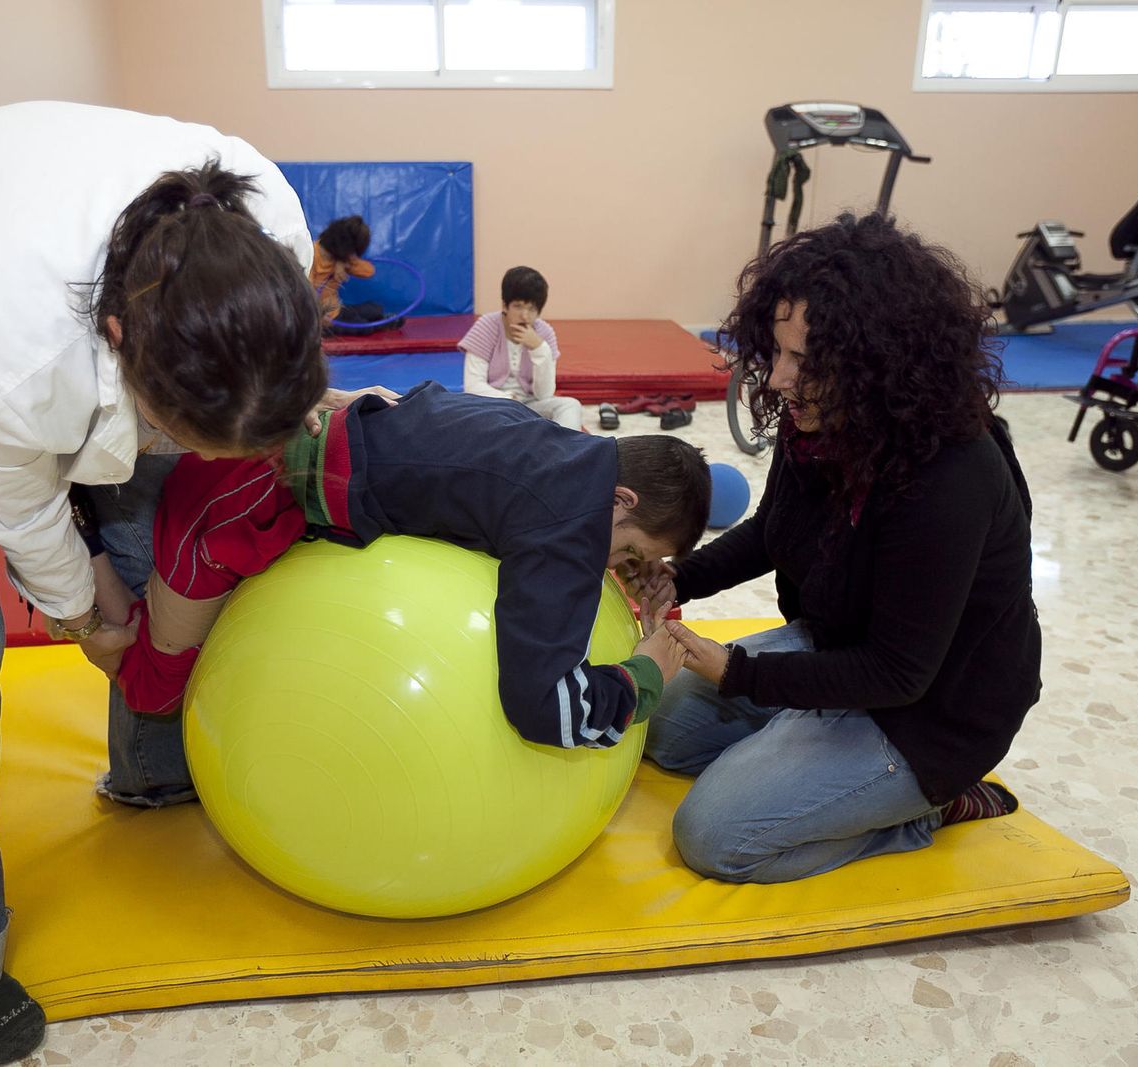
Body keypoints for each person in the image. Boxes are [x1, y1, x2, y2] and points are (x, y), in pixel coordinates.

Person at [0, 101, 385, 1065]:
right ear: (114, 337)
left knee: (159, 513)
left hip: (60, 301)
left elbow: (170, 460)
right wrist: (82, 613)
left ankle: (154, 771)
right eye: (170, 420)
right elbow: (22, 513)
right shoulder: (4, 357)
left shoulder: (268, 235)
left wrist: (141, 555)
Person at [625, 212, 1042, 885]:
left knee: (714, 836)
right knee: (668, 732)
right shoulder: (818, 420)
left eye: (806, 362)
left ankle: (928, 807)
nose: (781, 379)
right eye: (779, 352)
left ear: (879, 366)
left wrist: (737, 671)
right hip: (843, 648)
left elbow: (898, 674)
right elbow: (775, 529)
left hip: (933, 710)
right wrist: (682, 578)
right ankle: (809, 756)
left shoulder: (951, 475)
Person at [105, 381, 710, 749]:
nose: (613, 566)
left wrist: (631, 564)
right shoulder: (569, 526)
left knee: (163, 650)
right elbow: (543, 709)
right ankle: (83, 584)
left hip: (276, 460)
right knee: (156, 687)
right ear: (622, 500)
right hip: (237, 498)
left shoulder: (568, 450)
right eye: (628, 553)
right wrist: (646, 676)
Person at [460, 266, 583, 429]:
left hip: (529, 406)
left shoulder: (544, 333)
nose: (525, 315)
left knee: (570, 405)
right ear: (505, 305)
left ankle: (567, 451)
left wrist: (539, 349)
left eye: (531, 309)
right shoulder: (486, 327)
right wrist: (509, 399)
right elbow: (473, 385)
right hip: (491, 405)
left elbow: (544, 394)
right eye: (518, 306)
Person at [309, 214, 395, 331]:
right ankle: (381, 325)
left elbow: (369, 271)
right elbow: (307, 295)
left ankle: (378, 321)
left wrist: (343, 262)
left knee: (375, 308)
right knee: (363, 327)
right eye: (352, 252)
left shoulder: (339, 257)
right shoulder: (311, 255)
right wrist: (319, 317)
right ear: (346, 248)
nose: (353, 256)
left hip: (337, 309)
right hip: (324, 318)